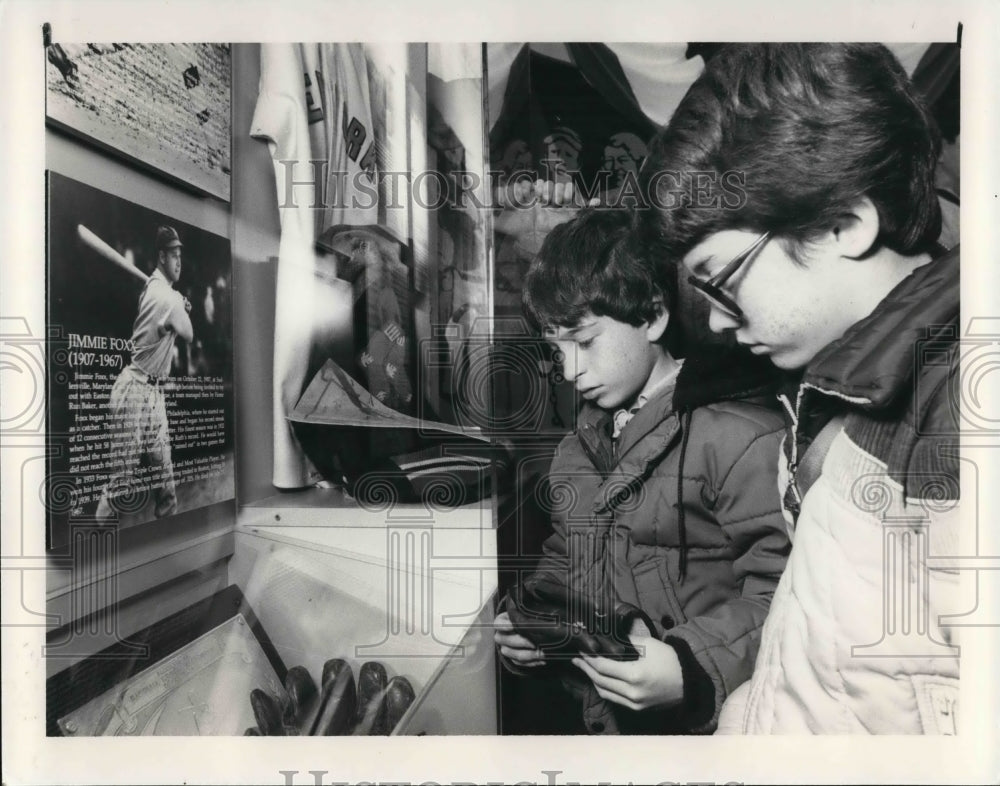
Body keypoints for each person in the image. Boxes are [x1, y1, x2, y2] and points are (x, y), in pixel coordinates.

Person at [640, 44, 961, 734]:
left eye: (722, 281)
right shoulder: (859, 385)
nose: (720, 323)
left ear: (843, 224)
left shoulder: (961, 405)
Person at [493, 207, 791, 734]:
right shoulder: (575, 452)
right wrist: (535, 624)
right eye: (554, 350)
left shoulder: (740, 437)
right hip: (608, 724)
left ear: (652, 316)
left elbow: (787, 595)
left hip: (710, 729)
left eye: (584, 342)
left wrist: (690, 665)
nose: (569, 371)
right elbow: (567, 560)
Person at [96, 225, 193, 521]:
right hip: (133, 391)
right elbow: (188, 333)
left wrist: (178, 305)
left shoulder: (154, 287)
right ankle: (97, 536)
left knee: (165, 480)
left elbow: (173, 318)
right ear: (162, 257)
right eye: (173, 255)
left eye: (181, 255)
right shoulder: (166, 296)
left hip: (153, 392)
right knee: (120, 483)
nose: (179, 261)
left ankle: (168, 540)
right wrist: (181, 307)